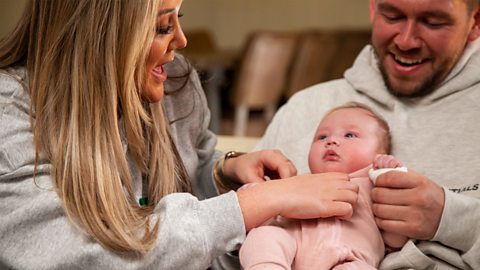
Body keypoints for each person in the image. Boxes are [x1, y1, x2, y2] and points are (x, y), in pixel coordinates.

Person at [0, 0, 361, 269]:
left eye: (179, 19)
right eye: (161, 27)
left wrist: (222, 173)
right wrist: (256, 204)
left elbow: (188, 175)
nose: (183, 41)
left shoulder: (174, 80)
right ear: (97, 36)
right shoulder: (10, 112)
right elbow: (81, 256)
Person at [256, 0, 480, 269]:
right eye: (392, 16)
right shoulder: (304, 107)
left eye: (433, 22)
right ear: (373, 8)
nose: (407, 41)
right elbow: (229, 246)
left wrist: (451, 219)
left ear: (475, 22)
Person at [240, 103, 408, 269]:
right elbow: (266, 216)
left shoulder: (374, 187)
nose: (332, 141)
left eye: (350, 135)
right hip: (293, 255)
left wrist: (393, 178)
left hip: (350, 259)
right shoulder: (296, 184)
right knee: (263, 236)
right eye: (322, 137)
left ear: (381, 154)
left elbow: (396, 239)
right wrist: (257, 191)